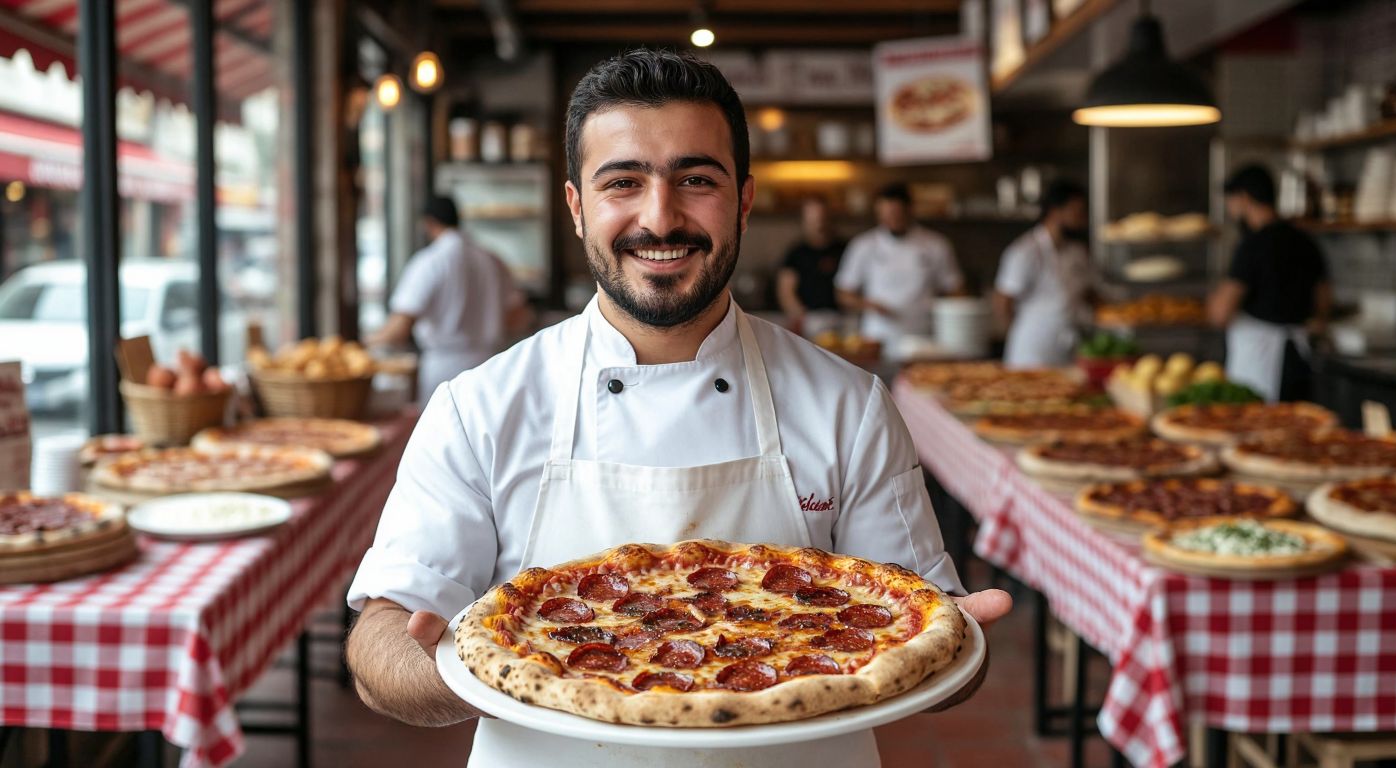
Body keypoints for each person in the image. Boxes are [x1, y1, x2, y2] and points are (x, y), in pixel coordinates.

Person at [345, 49, 1010, 768]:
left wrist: (952, 651)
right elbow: (381, 638)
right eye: (622, 182)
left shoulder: (848, 404)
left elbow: (928, 628)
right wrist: (512, 669)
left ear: (744, 201)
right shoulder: (479, 407)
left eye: (696, 181)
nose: (660, 219)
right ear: (576, 208)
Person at [365, 196, 526, 405]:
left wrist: (365, 344)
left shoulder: (430, 262)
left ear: (429, 223)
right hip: (491, 364)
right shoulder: (492, 260)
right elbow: (517, 316)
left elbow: (400, 326)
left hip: (444, 370)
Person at [1208, 165, 1331, 402]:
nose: (1230, 209)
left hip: (1261, 361)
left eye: (1231, 201)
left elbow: (1220, 313)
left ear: (1243, 198)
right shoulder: (1304, 241)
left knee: (1258, 429)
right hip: (1298, 358)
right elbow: (1324, 300)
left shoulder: (1252, 246)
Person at [834, 183, 964, 348]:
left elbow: (955, 288)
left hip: (922, 336)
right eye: (885, 215)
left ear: (909, 210)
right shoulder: (864, 245)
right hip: (877, 337)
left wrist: (944, 311)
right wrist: (868, 305)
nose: (891, 220)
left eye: (896, 214)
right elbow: (844, 293)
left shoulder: (935, 244)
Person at [992, 179, 1096, 368]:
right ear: (1056, 211)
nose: (1083, 218)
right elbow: (1003, 301)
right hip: (1033, 348)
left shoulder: (1077, 252)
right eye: (1077, 211)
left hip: (1071, 345)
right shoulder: (1024, 251)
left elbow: (1087, 293)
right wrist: (1017, 334)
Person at [775, 197, 845, 337]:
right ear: (804, 222)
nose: (819, 224)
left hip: (844, 320)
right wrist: (802, 318)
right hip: (811, 322)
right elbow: (786, 292)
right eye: (813, 220)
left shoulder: (846, 249)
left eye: (822, 218)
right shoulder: (796, 253)